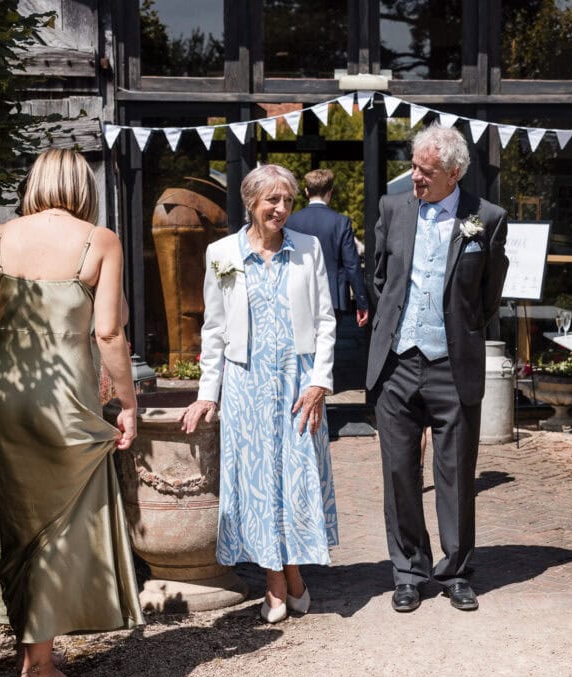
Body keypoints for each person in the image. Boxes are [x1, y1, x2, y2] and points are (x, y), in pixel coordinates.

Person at [0, 148, 142, 677]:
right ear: (82, 186)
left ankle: (32, 656)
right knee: (60, 524)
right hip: (65, 395)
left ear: (35, 183)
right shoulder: (98, 240)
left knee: (22, 523)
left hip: (3, 392)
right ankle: (38, 669)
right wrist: (129, 404)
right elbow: (108, 333)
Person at [181, 164, 338, 624]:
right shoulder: (222, 253)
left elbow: (327, 320)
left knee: (294, 478)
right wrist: (208, 393)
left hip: (298, 381)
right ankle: (278, 580)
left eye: (288, 200)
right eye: (273, 200)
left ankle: (290, 571)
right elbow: (213, 330)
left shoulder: (308, 249)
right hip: (245, 383)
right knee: (258, 484)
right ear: (251, 202)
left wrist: (319, 382)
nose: (282, 208)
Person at [366, 124, 509, 612]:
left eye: (425, 172)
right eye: (413, 167)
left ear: (454, 173)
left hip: (453, 366)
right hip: (399, 365)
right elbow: (382, 277)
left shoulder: (486, 219)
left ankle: (455, 571)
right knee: (400, 473)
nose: (415, 177)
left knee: (456, 475)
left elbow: (489, 297)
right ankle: (408, 571)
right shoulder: (393, 209)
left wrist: (457, 335)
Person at [286, 168, 370, 327]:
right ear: (330, 192)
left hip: (298, 292)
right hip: (332, 295)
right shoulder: (341, 222)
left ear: (306, 192)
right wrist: (361, 302)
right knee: (328, 346)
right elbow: (352, 264)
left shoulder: (290, 222)